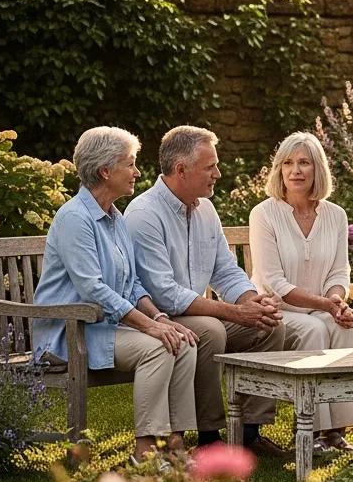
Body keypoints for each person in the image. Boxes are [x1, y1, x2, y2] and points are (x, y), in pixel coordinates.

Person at [33, 126, 197, 465]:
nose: (137, 172)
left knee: (182, 341)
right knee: (157, 348)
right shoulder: (75, 219)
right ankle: (146, 453)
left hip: (105, 327)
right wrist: (149, 328)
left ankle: (174, 446)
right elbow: (92, 289)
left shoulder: (115, 217)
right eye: (130, 163)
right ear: (105, 171)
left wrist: (160, 318)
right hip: (70, 333)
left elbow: (132, 283)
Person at [124, 125, 290, 459]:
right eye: (210, 166)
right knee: (210, 330)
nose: (218, 173)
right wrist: (235, 312)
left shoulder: (205, 209)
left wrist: (252, 302)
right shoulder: (144, 214)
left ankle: (248, 433)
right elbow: (164, 293)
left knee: (271, 325)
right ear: (181, 170)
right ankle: (209, 435)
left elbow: (225, 270)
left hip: (196, 314)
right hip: (155, 319)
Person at [249, 132, 353, 455]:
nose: (295, 171)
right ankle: (308, 430)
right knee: (314, 328)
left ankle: (335, 431)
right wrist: (326, 304)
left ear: (317, 170)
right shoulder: (264, 214)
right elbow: (274, 282)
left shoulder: (335, 215)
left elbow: (339, 272)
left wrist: (336, 302)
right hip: (277, 311)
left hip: (320, 307)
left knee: (343, 326)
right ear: (279, 170)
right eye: (288, 163)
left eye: (303, 163)